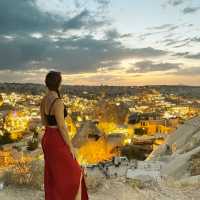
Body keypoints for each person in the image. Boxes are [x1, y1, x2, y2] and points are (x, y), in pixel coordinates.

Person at [40, 71, 88, 200]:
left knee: (55, 175)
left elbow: (44, 121)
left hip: (47, 138)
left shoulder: (44, 99)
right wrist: (71, 146)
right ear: (59, 84)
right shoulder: (58, 102)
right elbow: (62, 126)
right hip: (56, 139)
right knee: (76, 173)